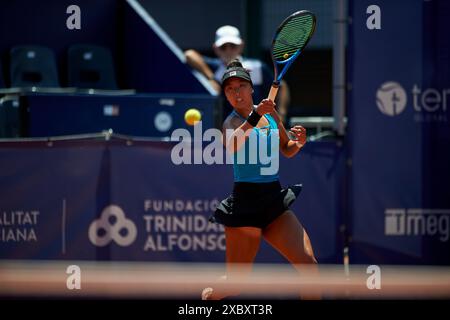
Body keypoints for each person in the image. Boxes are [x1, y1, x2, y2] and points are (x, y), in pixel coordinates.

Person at [201, 59, 318, 300]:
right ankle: (207, 299)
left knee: (310, 267)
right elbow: (232, 145)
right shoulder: (231, 122)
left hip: (274, 201)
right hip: (245, 206)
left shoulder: (270, 114)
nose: (236, 92)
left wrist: (300, 142)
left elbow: (287, 148)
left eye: (241, 86)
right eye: (230, 89)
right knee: (234, 285)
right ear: (226, 95)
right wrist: (255, 116)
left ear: (251, 88)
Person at [185, 25, 290, 123]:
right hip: (229, 130)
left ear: (241, 46)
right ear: (215, 49)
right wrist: (211, 78)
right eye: (223, 47)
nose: (228, 50)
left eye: (233, 46)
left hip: (258, 127)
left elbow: (282, 87)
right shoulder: (213, 67)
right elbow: (189, 54)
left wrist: (281, 114)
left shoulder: (257, 67)